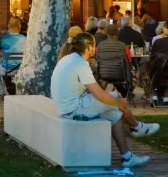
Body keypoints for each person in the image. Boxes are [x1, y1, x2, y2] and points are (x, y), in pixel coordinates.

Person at [50, 33, 159, 168]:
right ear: (89, 48)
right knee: (116, 98)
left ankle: (127, 157)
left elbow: (95, 92)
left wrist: (115, 103)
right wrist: (120, 103)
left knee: (115, 114)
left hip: (67, 106)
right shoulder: (79, 63)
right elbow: (100, 95)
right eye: (94, 45)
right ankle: (137, 127)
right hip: (73, 109)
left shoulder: (69, 59)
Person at [0, 18, 26, 96]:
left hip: (7, 70)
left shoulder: (3, 39)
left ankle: (0, 93)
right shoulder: (26, 39)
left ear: (8, 27)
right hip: (22, 70)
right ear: (19, 27)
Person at [96, 23, 130, 96]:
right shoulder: (123, 46)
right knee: (124, 72)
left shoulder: (100, 45)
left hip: (103, 74)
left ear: (106, 33)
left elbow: (97, 58)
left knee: (110, 73)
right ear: (117, 33)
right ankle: (126, 94)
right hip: (119, 75)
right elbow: (129, 61)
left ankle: (101, 95)